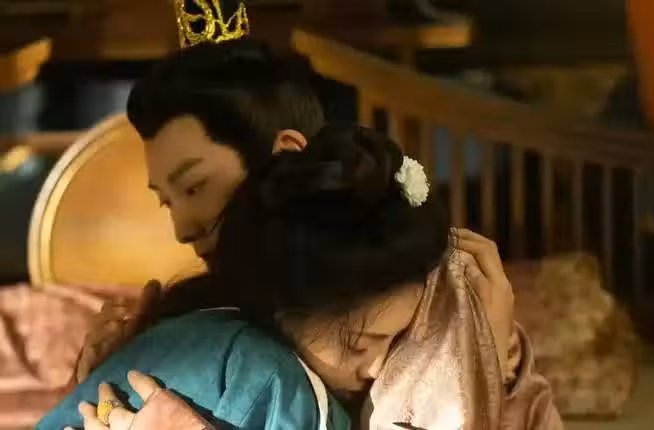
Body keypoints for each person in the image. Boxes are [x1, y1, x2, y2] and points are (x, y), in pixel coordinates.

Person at [73, 36, 517, 387]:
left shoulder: (401, 288)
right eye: (166, 200)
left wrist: (486, 365)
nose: (182, 229)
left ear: (284, 153)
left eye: (194, 186)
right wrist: (98, 382)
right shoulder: (199, 315)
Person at [38, 123, 450, 429]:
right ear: (285, 308)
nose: (378, 367)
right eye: (360, 344)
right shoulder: (281, 387)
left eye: (394, 340)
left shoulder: (196, 329)